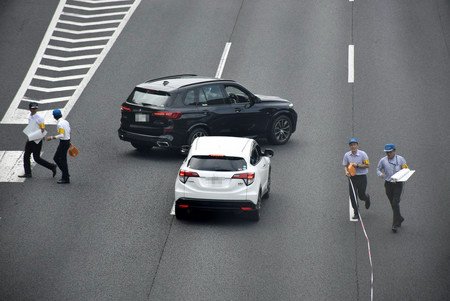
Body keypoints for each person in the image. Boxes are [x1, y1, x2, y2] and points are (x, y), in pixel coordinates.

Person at [18, 102, 57, 178]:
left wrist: (39, 131)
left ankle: (52, 166)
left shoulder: (39, 118)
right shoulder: (29, 116)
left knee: (37, 158)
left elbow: (42, 128)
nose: (34, 110)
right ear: (29, 109)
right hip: (31, 138)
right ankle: (28, 173)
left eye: (35, 108)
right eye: (33, 108)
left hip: (37, 139)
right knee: (26, 155)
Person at [377, 144, 408, 233]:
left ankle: (395, 224)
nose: (388, 154)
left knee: (395, 202)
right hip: (388, 184)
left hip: (398, 184)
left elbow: (406, 169)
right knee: (393, 204)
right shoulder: (383, 160)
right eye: (387, 152)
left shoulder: (401, 159)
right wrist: (381, 174)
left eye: (390, 152)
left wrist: (404, 173)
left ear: (394, 151)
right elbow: (378, 169)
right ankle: (400, 218)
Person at [343, 138, 371, 219]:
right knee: (352, 196)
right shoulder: (347, 155)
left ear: (357, 145)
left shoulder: (363, 154)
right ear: (349, 146)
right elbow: (345, 165)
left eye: (354, 145)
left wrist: (357, 165)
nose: (353, 146)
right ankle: (356, 213)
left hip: (362, 177)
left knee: (361, 195)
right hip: (352, 177)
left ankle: (367, 198)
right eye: (351, 145)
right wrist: (346, 172)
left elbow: (367, 165)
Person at [46, 109, 71, 184]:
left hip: (63, 142)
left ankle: (65, 176)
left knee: (57, 158)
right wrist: (69, 140)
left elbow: (62, 135)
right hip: (67, 141)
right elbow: (69, 130)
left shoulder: (60, 124)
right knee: (62, 159)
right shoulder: (66, 122)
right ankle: (65, 175)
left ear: (54, 117)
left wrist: (51, 137)